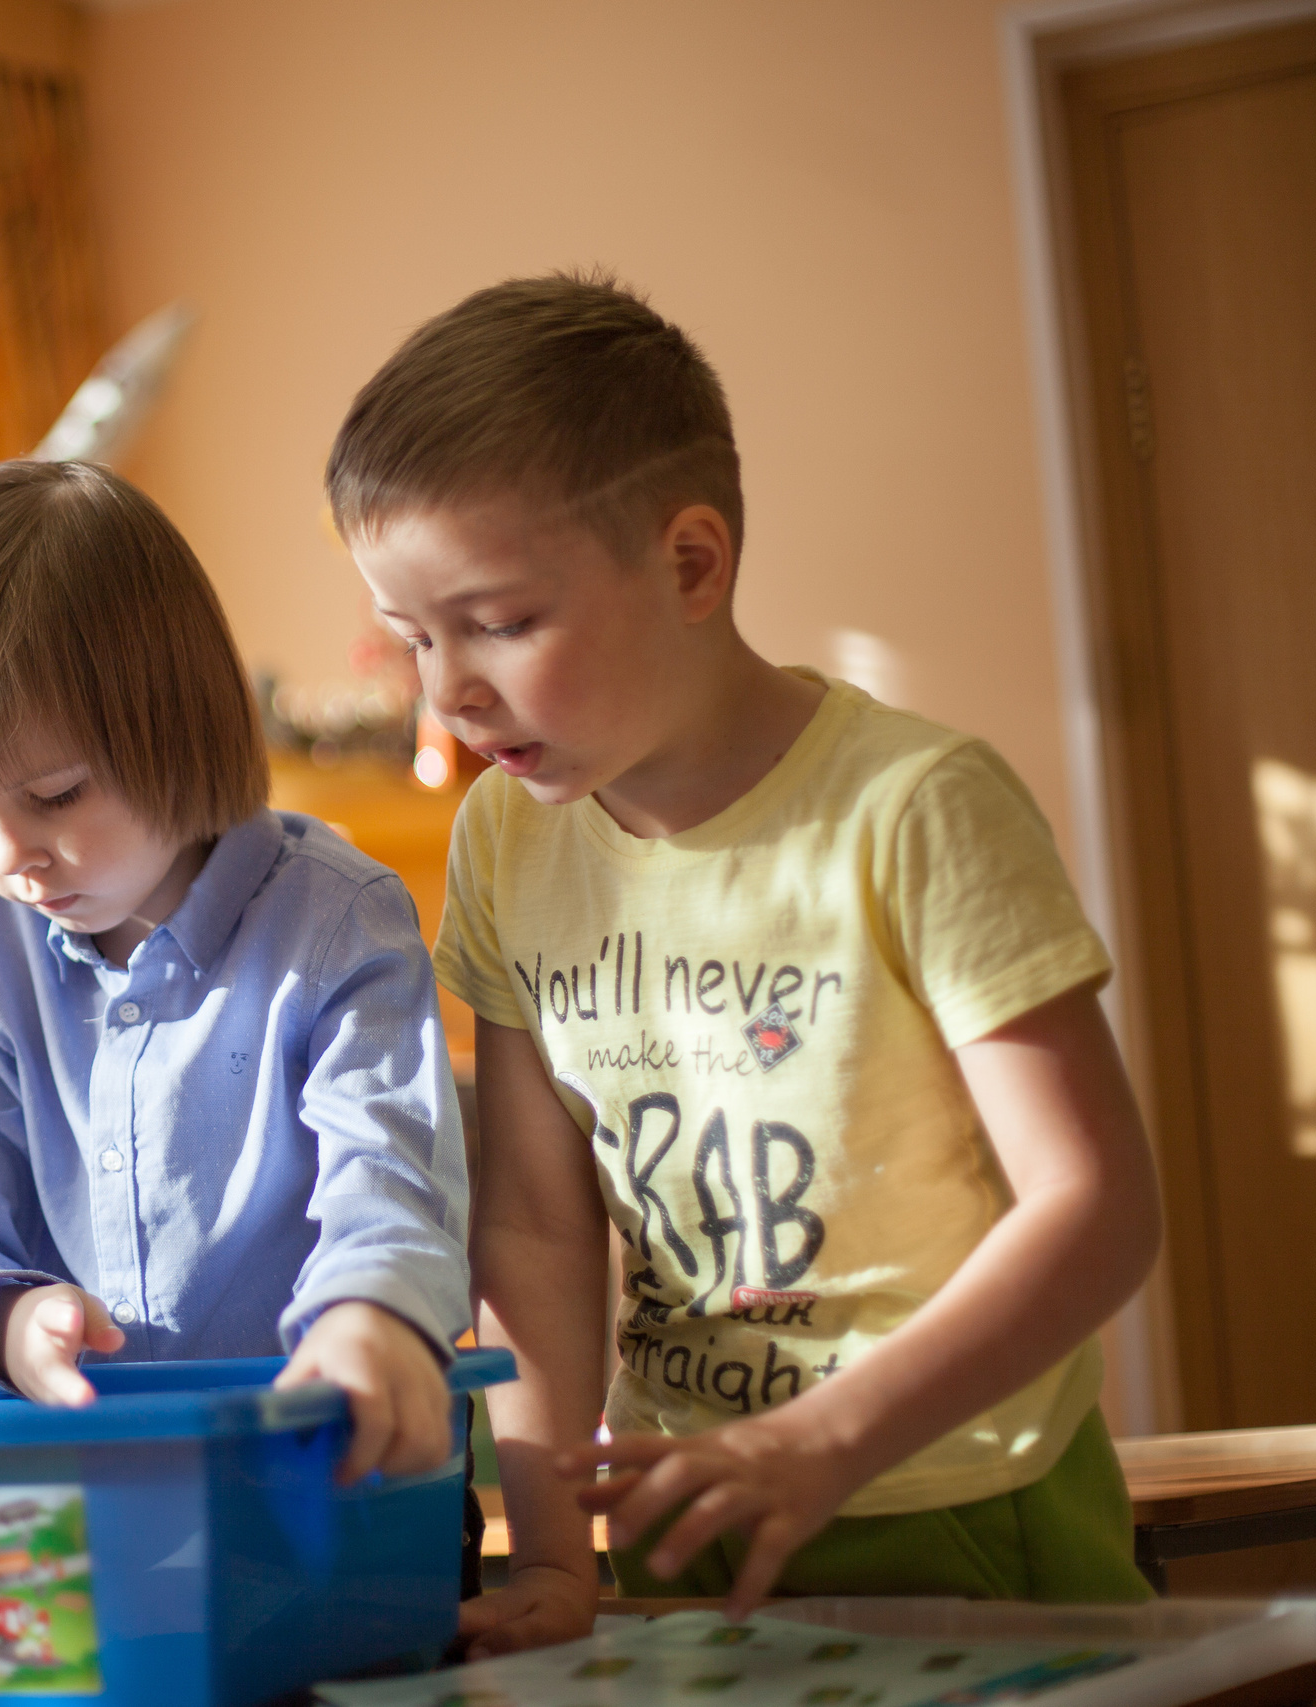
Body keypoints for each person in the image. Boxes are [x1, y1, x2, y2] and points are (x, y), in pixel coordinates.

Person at [329, 274, 1164, 1649]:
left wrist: (824, 1440)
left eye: (498, 621)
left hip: (952, 1499)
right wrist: (554, 1556)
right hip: (678, 1510)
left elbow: (1099, 1204)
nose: (448, 693)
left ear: (692, 563)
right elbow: (539, 1223)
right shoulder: (506, 840)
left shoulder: (915, 807)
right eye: (415, 637)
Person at [0, 458, 471, 1490]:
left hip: (327, 1485)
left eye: (52, 795)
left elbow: (391, 1184)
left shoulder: (333, 920)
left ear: (176, 730)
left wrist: (369, 1318)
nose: (8, 855)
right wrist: (6, 1319)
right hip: (97, 1501)